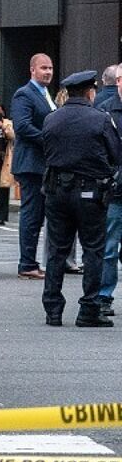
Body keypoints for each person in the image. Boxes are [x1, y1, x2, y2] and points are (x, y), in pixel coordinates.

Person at [40, 70, 121, 328]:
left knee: (57, 250)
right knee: (93, 249)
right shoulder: (100, 119)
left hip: (56, 190)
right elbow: (116, 155)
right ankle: (89, 308)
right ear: (90, 92)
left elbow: (47, 151)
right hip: (90, 192)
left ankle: (53, 308)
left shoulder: (51, 119)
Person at [11, 53, 56, 279]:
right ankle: (27, 263)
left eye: (50, 68)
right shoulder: (24, 94)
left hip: (42, 163)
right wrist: (50, 139)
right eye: (43, 68)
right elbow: (22, 126)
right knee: (31, 215)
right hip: (31, 164)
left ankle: (32, 262)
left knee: (38, 216)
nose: (48, 72)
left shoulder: (45, 94)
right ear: (32, 70)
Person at [99, 71, 122, 317]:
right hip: (116, 191)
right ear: (118, 82)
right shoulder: (106, 111)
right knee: (109, 247)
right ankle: (104, 296)